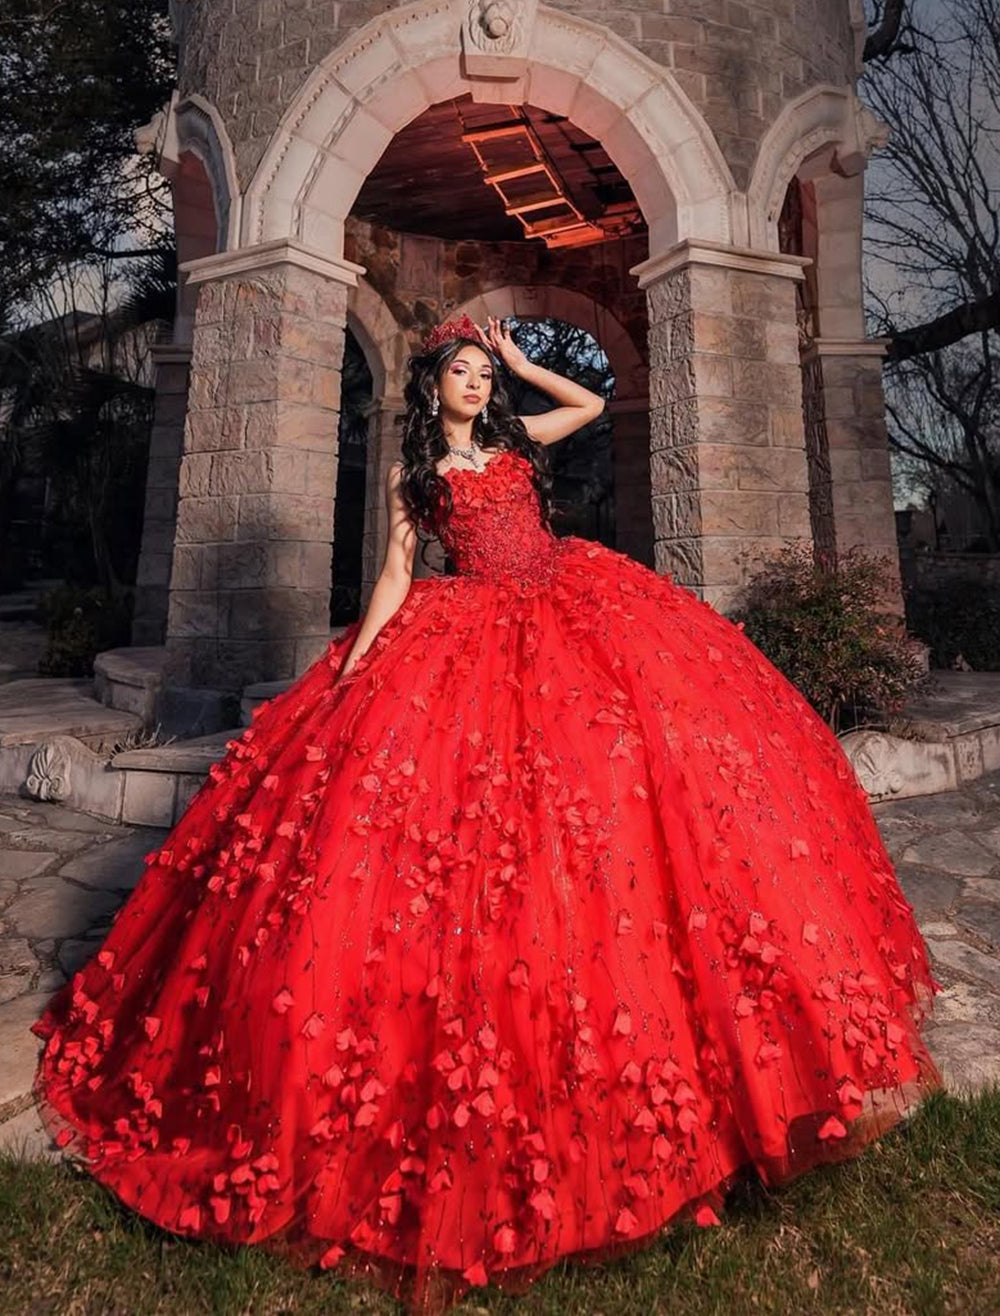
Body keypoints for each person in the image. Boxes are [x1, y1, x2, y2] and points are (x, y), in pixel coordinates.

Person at [33, 312, 940, 1312]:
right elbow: (392, 577)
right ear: (432, 389)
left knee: (613, 805)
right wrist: (360, 666)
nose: (472, 382)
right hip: (459, 638)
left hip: (570, 612)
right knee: (452, 840)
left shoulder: (515, 437)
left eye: (479, 371)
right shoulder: (412, 478)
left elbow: (588, 404)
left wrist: (519, 362)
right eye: (460, 370)